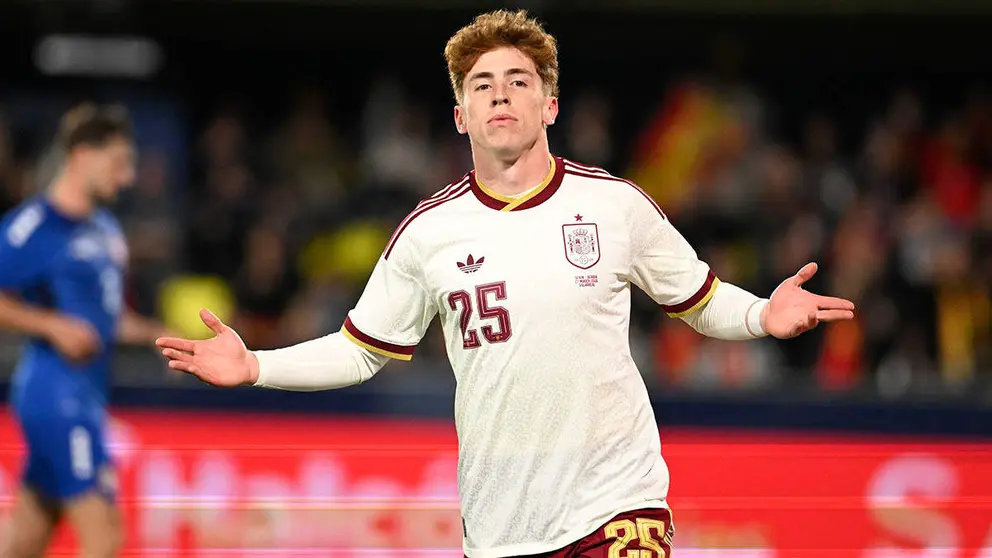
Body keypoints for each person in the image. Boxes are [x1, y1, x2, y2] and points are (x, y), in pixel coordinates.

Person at [158, 9, 856, 558]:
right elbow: (360, 349)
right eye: (482, 85)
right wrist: (257, 366)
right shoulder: (428, 233)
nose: (501, 95)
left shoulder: (613, 205)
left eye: (519, 81)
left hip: (618, 502)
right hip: (502, 524)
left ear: (549, 105)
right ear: (461, 116)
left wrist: (762, 313)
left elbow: (700, 300)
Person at [0, 104, 169, 558]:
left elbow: (106, 318)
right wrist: (50, 324)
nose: (127, 176)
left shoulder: (106, 231)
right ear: (80, 155)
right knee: (105, 532)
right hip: (55, 396)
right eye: (117, 163)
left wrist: (163, 337)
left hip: (86, 395)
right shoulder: (31, 227)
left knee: (28, 534)